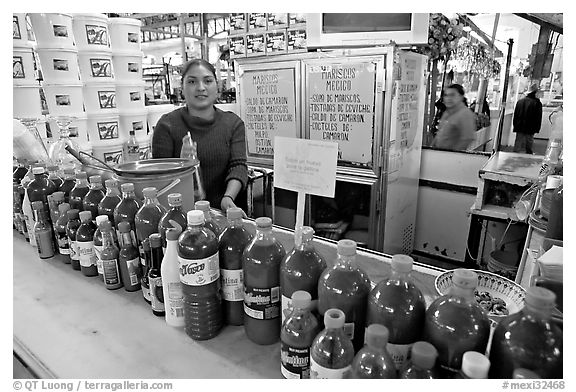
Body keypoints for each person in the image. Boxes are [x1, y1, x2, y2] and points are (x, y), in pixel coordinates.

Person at [152, 58, 248, 213]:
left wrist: (228, 197)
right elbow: (160, 180)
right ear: (181, 88)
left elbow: (238, 166)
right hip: (180, 213)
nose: (201, 87)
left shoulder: (233, 123)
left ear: (217, 86)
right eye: (192, 82)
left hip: (222, 212)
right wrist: (181, 165)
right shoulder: (166, 126)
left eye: (208, 81)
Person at [431, 84, 476, 151]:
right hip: (438, 154)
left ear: (461, 97)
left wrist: (453, 154)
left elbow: (468, 138)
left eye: (452, 95)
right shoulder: (447, 112)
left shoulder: (465, 114)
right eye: (446, 95)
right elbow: (440, 134)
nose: (448, 98)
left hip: (451, 157)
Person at [512, 82, 542, 154]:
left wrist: (515, 125)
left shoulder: (520, 101)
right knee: (529, 141)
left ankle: (515, 154)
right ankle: (529, 155)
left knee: (518, 141)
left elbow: (515, 115)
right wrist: (537, 128)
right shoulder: (537, 103)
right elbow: (538, 117)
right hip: (531, 126)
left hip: (519, 125)